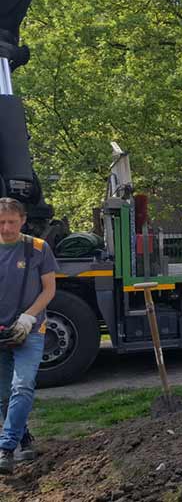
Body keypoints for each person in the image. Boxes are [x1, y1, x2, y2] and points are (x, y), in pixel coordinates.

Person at [0, 197, 58, 475]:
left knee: (21, 386)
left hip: (31, 329)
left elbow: (48, 290)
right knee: (3, 396)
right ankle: (23, 438)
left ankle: (6, 448)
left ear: (23, 220)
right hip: (0, 333)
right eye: (1, 222)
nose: (6, 227)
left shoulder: (38, 249)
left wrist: (28, 317)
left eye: (12, 221)